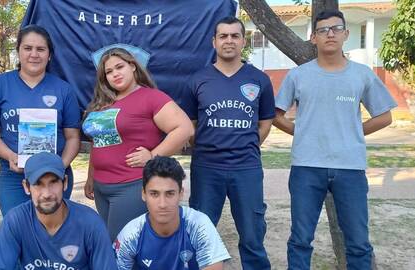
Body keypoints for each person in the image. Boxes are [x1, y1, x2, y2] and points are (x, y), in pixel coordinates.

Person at [273, 10, 396, 269]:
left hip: (350, 168)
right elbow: (276, 116)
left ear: (346, 34)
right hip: (306, 166)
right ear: (313, 38)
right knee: (300, 240)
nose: (330, 34)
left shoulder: (362, 74)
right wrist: (303, 132)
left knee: (359, 243)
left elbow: (384, 117)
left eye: (336, 29)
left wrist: (351, 130)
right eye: (322, 30)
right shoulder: (298, 75)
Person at [181, 16, 275, 269]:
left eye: (235, 35)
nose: (229, 41)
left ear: (243, 41)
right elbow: (189, 123)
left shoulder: (259, 79)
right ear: (214, 42)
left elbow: (266, 122)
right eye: (223, 36)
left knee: (253, 234)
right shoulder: (198, 79)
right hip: (207, 167)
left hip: (246, 167)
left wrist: (247, 144)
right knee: (200, 230)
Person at [82, 47, 194, 240]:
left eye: (120, 67)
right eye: (109, 71)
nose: (115, 74)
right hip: (101, 187)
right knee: (113, 244)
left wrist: (152, 156)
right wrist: (91, 177)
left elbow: (184, 129)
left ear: (133, 66)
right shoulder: (103, 103)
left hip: (129, 186)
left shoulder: (151, 97)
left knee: (121, 245)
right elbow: (98, 143)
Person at [0, 25, 81, 216]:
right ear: (18, 51)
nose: (34, 54)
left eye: (41, 49)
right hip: (14, 176)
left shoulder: (63, 89)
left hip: (55, 176)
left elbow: (73, 137)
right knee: (18, 229)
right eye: (27, 48)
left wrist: (61, 165)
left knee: (54, 231)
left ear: (49, 55)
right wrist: (9, 155)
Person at [0, 152, 117, 270]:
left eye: (53, 182)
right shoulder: (15, 221)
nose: (47, 193)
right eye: (38, 184)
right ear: (26, 187)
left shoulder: (90, 223)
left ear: (65, 183)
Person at [115, 156, 231, 270]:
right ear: (144, 194)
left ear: (181, 194)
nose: (162, 204)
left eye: (170, 194)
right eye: (154, 194)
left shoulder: (199, 225)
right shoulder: (131, 235)